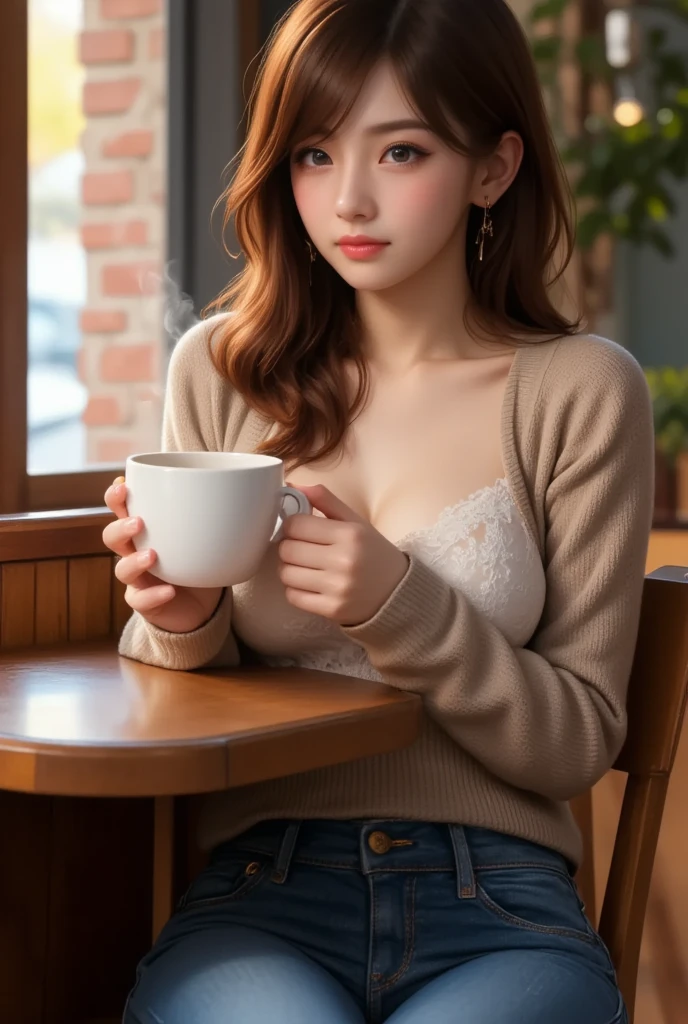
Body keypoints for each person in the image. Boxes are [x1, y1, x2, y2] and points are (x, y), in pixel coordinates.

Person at [105, 0, 654, 1021]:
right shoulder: (223, 373)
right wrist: (178, 621)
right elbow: (183, 687)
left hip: (497, 897)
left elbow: (580, 737)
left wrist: (403, 606)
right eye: (313, 154)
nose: (348, 199)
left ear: (493, 168)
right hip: (257, 890)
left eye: (400, 152)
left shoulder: (579, 390)